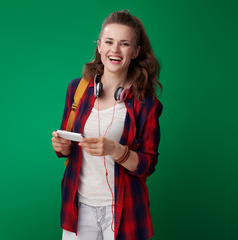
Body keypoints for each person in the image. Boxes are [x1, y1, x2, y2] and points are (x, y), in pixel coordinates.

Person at [52, 10, 163, 240]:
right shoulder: (77, 89)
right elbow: (67, 148)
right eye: (109, 42)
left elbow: (148, 165)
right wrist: (61, 146)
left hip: (125, 211)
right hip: (79, 207)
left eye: (124, 44)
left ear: (135, 52)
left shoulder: (146, 104)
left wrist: (116, 150)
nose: (115, 50)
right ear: (99, 46)